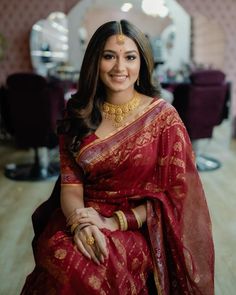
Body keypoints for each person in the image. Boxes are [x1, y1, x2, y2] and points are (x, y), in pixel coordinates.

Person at [21, 20, 214, 295]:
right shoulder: (78, 114)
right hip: (84, 213)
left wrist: (114, 222)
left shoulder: (163, 119)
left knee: (85, 267)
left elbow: (176, 197)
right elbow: (71, 187)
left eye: (130, 57)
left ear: (142, 63)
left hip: (139, 225)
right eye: (109, 56)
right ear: (94, 62)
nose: (119, 68)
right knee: (59, 255)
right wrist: (81, 225)